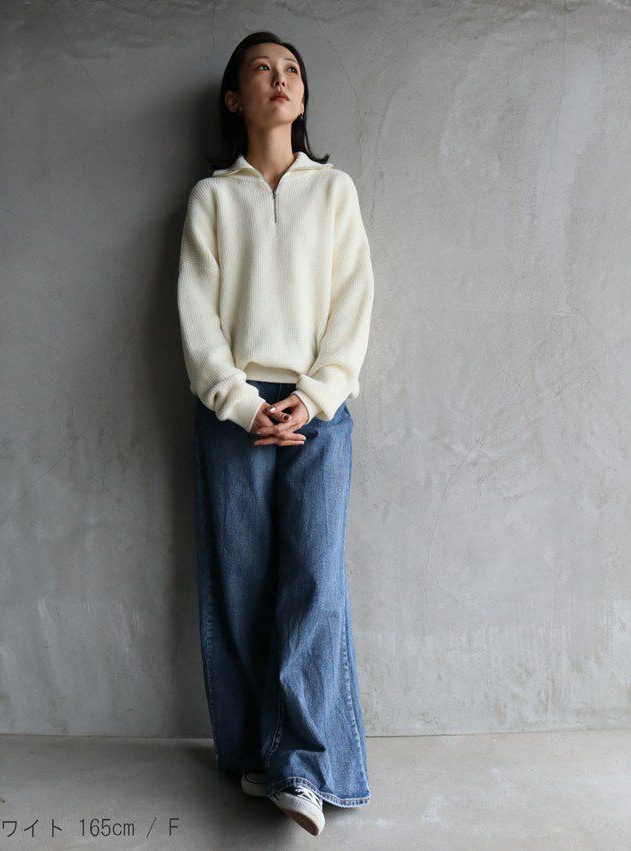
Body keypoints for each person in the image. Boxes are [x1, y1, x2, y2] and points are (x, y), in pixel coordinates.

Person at [176, 31, 375, 838]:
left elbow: (353, 304)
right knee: (241, 582)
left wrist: (315, 395)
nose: (279, 78)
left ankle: (303, 764)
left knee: (313, 581)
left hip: (317, 408)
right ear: (235, 97)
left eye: (291, 69)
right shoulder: (211, 198)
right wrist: (236, 400)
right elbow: (196, 317)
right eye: (261, 68)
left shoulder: (334, 191)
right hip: (233, 413)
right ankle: (256, 756)